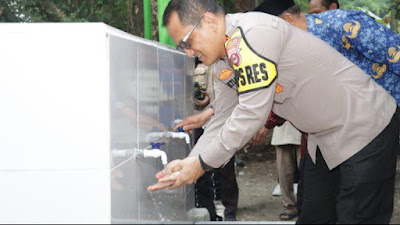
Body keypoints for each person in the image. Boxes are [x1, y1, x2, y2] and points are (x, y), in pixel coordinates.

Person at [148, 0, 398, 224]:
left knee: (357, 215)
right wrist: (190, 161)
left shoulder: (253, 34)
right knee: (314, 216)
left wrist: (201, 164)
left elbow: (251, 112)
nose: (188, 53)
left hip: (363, 126)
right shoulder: (223, 63)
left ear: (210, 21)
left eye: (187, 42)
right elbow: (222, 119)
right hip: (322, 140)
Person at [177, 61, 239, 221]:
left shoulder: (228, 63)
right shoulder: (197, 67)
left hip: (225, 120)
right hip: (203, 121)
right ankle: (211, 210)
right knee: (202, 169)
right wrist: (198, 101)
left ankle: (229, 211)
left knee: (226, 169)